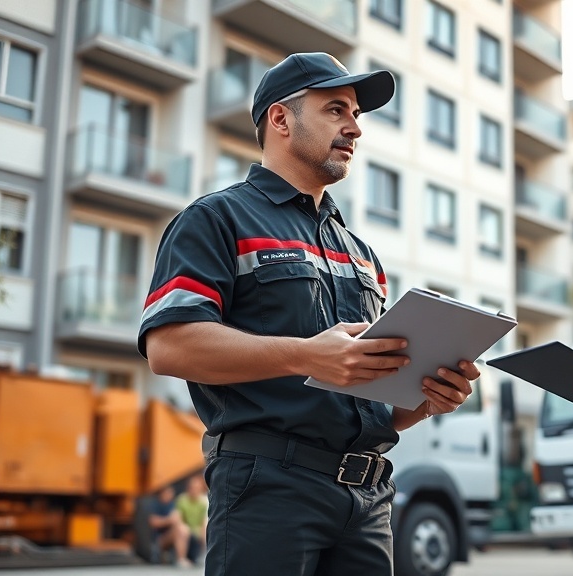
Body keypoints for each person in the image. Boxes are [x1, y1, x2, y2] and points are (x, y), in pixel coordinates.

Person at [138, 52, 480, 576]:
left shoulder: (362, 254)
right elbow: (169, 347)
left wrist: (428, 400)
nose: (354, 128)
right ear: (281, 119)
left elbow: (373, 402)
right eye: (336, 110)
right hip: (268, 490)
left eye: (357, 116)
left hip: (369, 499)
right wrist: (307, 356)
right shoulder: (215, 219)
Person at [148, 485, 192, 568]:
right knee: (180, 529)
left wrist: (177, 519)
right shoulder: (155, 504)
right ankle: (181, 558)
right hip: (159, 539)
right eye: (166, 493)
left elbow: (178, 519)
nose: (168, 495)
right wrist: (168, 520)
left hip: (172, 534)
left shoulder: (173, 505)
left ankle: (182, 557)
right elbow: (153, 522)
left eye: (170, 493)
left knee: (184, 529)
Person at [174, 474, 208, 562]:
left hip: (198, 530)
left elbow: (204, 519)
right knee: (182, 529)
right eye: (193, 487)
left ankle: (205, 554)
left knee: (206, 527)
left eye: (197, 487)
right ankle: (181, 559)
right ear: (189, 488)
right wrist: (183, 527)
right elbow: (178, 518)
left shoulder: (204, 502)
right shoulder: (182, 499)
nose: (195, 490)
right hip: (185, 530)